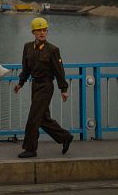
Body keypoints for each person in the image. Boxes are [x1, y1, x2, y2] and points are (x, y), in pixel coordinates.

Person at [13, 17, 73, 158]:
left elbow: (59, 70)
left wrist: (63, 90)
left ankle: (30, 149)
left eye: (44, 30)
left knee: (33, 118)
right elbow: (26, 68)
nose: (42, 32)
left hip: (46, 86)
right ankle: (65, 137)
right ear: (33, 31)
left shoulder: (52, 50)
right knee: (43, 118)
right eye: (39, 30)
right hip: (35, 85)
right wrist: (20, 83)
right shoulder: (27, 47)